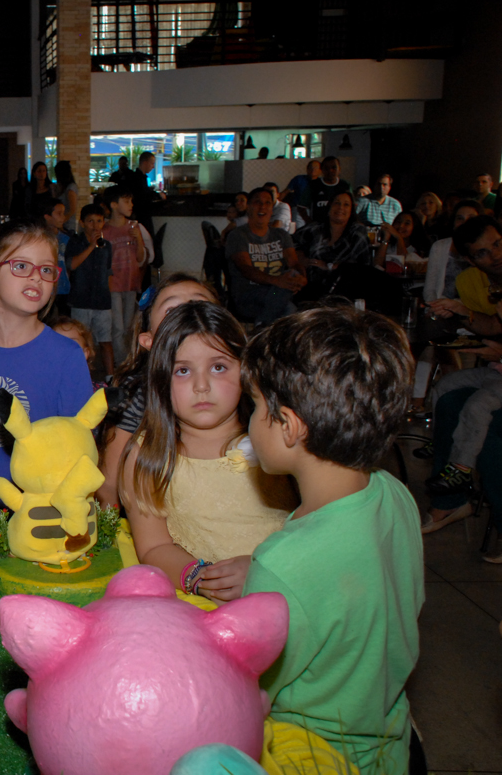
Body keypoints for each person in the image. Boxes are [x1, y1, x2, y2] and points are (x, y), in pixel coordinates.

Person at [241, 306, 422, 775]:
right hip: (387, 743)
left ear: (290, 426)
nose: (251, 421)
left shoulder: (283, 565)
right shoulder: (394, 495)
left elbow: (253, 692)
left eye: (257, 406)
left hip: (308, 754)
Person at [120, 301, 294, 602]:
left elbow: (316, 526)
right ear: (161, 379)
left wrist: (266, 572)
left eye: (218, 367)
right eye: (183, 370)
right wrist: (203, 577)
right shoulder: (147, 455)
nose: (202, 385)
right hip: (204, 615)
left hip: (289, 597)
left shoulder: (277, 439)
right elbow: (153, 546)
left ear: (245, 370)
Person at [0, 220, 94, 518]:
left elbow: (78, 451)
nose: (36, 277)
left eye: (46, 270)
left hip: (37, 517)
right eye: (21, 266)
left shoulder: (66, 356)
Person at [99, 275, 219, 508]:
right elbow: (109, 483)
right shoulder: (137, 396)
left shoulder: (247, 387)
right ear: (148, 340)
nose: (187, 316)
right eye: (171, 310)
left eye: (199, 305)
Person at [421, 216, 502, 507]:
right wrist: (461, 311)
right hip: (496, 369)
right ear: (470, 259)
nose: (495, 255)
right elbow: (493, 325)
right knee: (447, 386)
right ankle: (440, 442)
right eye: (483, 252)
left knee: (477, 406)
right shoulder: (477, 283)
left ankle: (461, 470)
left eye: (498, 244)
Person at [226, 188, 306, 326]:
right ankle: (264, 327)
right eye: (257, 202)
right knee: (289, 309)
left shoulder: (281, 235)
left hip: (276, 293)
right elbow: (245, 269)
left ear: (272, 208)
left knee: (290, 278)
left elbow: (294, 262)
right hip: (249, 296)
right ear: (249, 207)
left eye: (267, 203)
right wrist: (276, 281)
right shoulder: (238, 236)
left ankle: (262, 325)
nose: (262, 206)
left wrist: (302, 277)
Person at [99, 187, 153, 364]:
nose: (131, 205)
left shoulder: (134, 226)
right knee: (118, 327)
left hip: (131, 282)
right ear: (114, 205)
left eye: (131, 201)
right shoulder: (104, 230)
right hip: (113, 284)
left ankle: (129, 360)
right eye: (126, 201)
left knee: (130, 326)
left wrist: (138, 239)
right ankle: (121, 363)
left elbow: (141, 258)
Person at [292, 190, 373, 296]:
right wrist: (300, 258)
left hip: (345, 290)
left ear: (351, 210)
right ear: (329, 206)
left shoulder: (357, 232)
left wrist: (329, 266)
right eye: (337, 203)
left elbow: (362, 267)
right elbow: (289, 242)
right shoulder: (315, 228)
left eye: (346, 205)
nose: (341, 207)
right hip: (310, 287)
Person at [66, 204, 115, 373]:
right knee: (81, 341)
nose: (95, 225)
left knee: (106, 341)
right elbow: (71, 265)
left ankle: (110, 377)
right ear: (82, 223)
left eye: (99, 221)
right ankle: (82, 374)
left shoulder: (107, 246)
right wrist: (90, 247)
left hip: (102, 300)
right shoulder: (75, 242)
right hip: (81, 299)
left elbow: (108, 272)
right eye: (90, 221)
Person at [49, 315, 102, 388]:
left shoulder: (98, 391)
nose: (65, 349)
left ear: (85, 353)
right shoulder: (43, 388)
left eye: (72, 343)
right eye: (59, 344)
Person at [297, 156, 350, 224]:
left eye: (334, 168)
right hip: (319, 226)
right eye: (326, 168)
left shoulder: (345, 185)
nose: (330, 170)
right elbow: (301, 207)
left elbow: (351, 207)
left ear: (339, 169)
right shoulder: (313, 185)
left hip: (340, 226)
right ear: (322, 170)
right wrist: (310, 222)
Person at [41, 201, 73, 313]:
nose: (63, 218)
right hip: (46, 288)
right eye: (59, 214)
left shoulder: (66, 239)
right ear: (47, 217)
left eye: (63, 214)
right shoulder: (39, 239)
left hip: (63, 288)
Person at [54, 160, 80, 234]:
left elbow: (72, 209)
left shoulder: (70, 188)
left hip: (67, 225)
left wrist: (62, 221)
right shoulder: (63, 187)